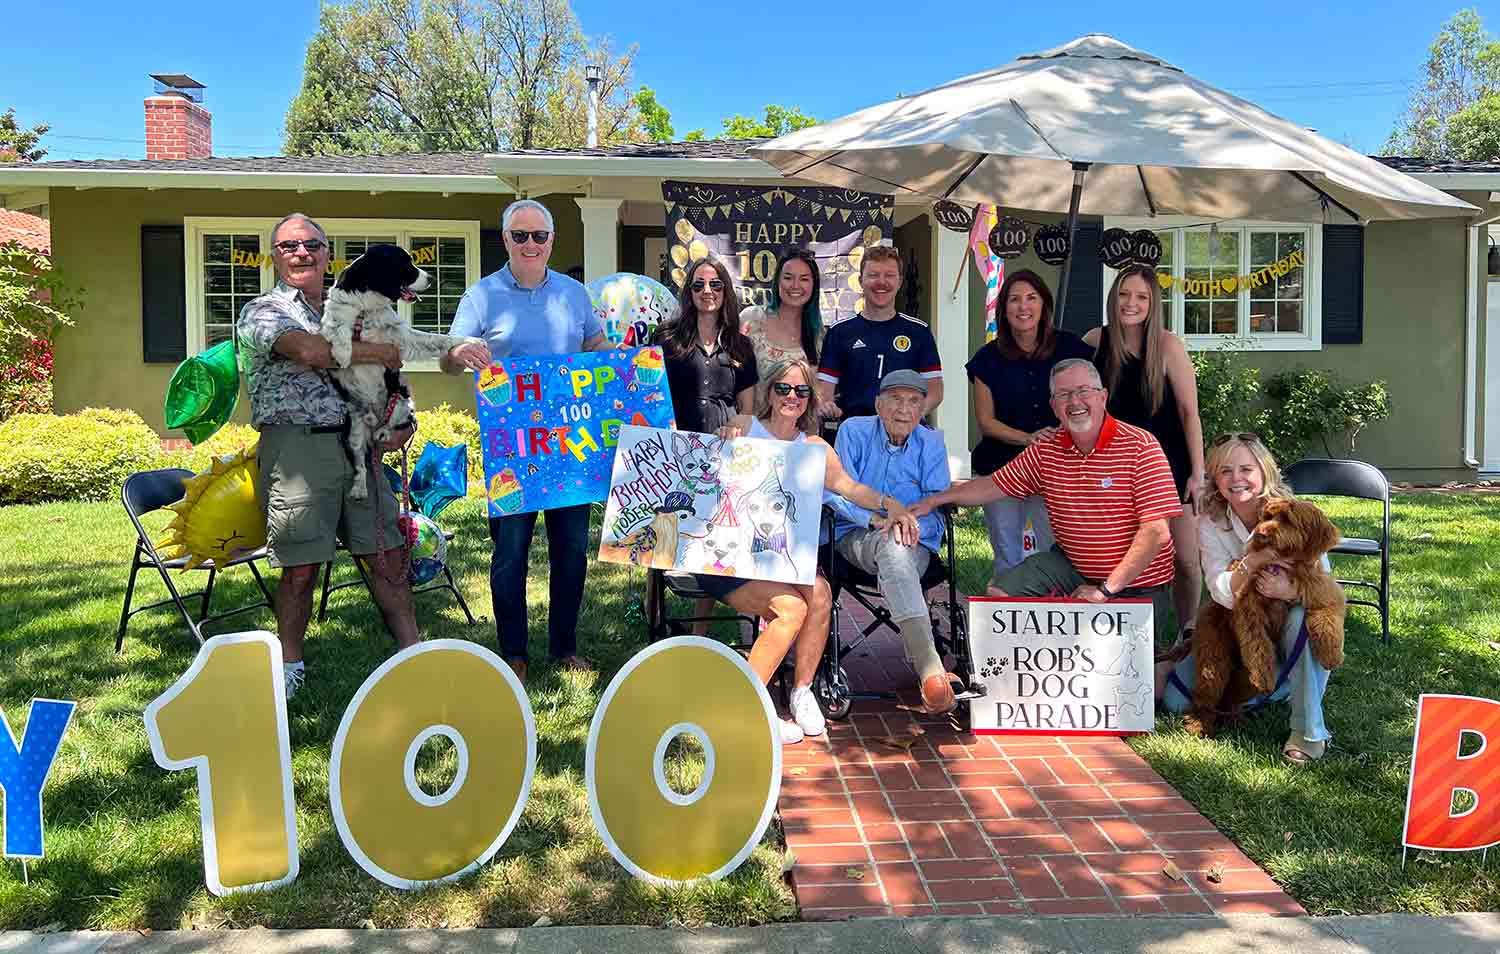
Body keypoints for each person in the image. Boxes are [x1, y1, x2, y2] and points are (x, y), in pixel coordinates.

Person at [238, 212, 441, 699]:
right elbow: (310, 351)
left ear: (328, 254)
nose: (301, 253)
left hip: (361, 444)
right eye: (289, 246)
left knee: (388, 553)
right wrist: (381, 352)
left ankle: (412, 654)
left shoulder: (349, 307)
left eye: (311, 244)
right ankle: (290, 667)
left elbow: (389, 374)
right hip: (298, 449)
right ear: (275, 255)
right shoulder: (262, 310)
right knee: (302, 566)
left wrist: (403, 421)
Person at [443, 198, 612, 683]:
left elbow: (594, 348)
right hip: (512, 450)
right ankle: (513, 650)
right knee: (510, 551)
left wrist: (625, 360)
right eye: (521, 236)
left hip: (571, 445)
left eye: (540, 236)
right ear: (506, 241)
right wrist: (460, 351)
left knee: (571, 549)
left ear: (552, 240)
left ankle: (564, 646)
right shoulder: (481, 296)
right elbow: (448, 360)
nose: (531, 244)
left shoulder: (574, 295)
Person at [715, 358, 920, 743]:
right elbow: (706, 475)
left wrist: (888, 505)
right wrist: (723, 436)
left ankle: (802, 692)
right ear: (769, 392)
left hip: (784, 559)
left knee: (821, 594)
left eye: (802, 391)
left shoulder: (814, 448)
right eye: (784, 388)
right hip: (733, 558)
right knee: (791, 608)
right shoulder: (744, 429)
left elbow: (850, 488)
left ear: (810, 399)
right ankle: (748, 708)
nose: (792, 397)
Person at [913, 358, 1181, 638]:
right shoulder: (1047, 450)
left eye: (1083, 391)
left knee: (1126, 673)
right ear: (1054, 406)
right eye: (1063, 394)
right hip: (1072, 567)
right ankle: (1027, 666)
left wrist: (1105, 591)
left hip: (1138, 583)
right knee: (1000, 595)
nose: (1074, 401)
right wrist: (935, 500)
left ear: (1103, 396)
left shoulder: (1141, 445)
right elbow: (993, 485)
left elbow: (1156, 532)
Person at [1157, 433, 1334, 763]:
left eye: (1245, 469)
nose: (1236, 479)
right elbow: (1221, 591)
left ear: (1264, 471)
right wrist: (1252, 561)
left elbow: (1323, 581)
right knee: (1175, 703)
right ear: (1215, 478)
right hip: (1241, 626)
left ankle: (1308, 729)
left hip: (1290, 622)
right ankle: (1279, 686)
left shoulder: (1293, 513)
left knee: (1302, 618)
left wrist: (1289, 591)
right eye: (1225, 471)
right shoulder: (1212, 522)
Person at [1086, 265, 1205, 643]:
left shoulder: (1168, 346)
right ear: (1112, 298)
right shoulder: (1094, 341)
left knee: (1186, 559)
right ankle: (1122, 633)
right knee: (1126, 555)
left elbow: (1190, 413)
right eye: (1124, 294)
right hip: (1117, 470)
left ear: (1153, 303)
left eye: (1141, 297)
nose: (1131, 303)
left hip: (1170, 465)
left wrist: (1198, 474)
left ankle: (1188, 631)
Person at [827, 370, 958, 713]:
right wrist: (876, 519)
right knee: (891, 548)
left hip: (914, 544)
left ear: (922, 409)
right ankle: (931, 670)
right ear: (878, 405)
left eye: (914, 401)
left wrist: (908, 527)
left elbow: (936, 502)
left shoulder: (931, 443)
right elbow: (837, 494)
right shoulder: (853, 432)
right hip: (856, 537)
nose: (905, 409)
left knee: (896, 550)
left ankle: (931, 673)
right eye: (896, 399)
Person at [966, 269, 1094, 591]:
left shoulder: (1071, 348)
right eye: (1015, 299)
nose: (1024, 307)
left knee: (1055, 549)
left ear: (1044, 304)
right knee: (1007, 553)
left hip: (1057, 464)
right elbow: (986, 422)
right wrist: (1029, 439)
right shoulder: (987, 359)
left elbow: (1088, 398)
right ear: (1004, 308)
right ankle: (1007, 622)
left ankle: (1051, 617)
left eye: (1031, 298)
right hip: (1002, 465)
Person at [817, 246, 942, 419]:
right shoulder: (840, 331)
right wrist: (828, 407)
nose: (881, 282)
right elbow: (825, 392)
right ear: (860, 281)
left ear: (899, 281)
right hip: (855, 431)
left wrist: (910, 417)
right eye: (873, 275)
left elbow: (935, 390)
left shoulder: (919, 331)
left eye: (889, 275)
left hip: (904, 432)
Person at [653, 257, 758, 435]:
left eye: (716, 284)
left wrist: (734, 428)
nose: (707, 290)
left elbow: (747, 412)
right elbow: (648, 392)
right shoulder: (666, 337)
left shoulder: (741, 345)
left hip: (722, 449)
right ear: (689, 292)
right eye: (698, 285)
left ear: (725, 291)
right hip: (673, 446)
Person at [739, 247, 827, 402]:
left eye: (804, 279)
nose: (795, 285)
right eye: (788, 277)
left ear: (814, 285)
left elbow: (818, 397)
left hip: (799, 425)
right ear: (777, 281)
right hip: (750, 423)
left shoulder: (819, 337)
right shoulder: (752, 319)